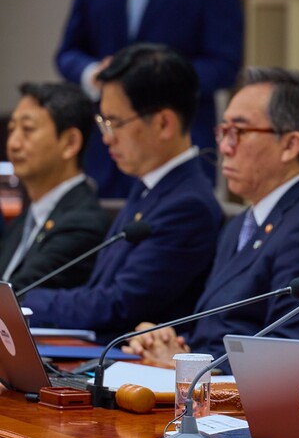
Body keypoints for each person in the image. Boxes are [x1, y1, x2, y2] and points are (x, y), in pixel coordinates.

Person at [124, 68, 299, 367]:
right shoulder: (240, 223)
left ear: (290, 145)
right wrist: (164, 341)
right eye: (222, 132)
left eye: (239, 132)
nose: (224, 147)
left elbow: (289, 353)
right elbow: (217, 328)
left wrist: (186, 364)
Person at [22, 43, 223, 339]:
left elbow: (119, 304)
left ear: (164, 123)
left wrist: (23, 303)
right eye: (103, 122)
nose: (106, 138)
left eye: (115, 123)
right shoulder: (148, 187)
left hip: (139, 370)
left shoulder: (188, 205)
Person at [56, 0, 243, 198]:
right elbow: (68, 52)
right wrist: (94, 74)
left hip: (174, 145)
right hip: (105, 148)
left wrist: (155, 79)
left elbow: (224, 64)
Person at [0, 82, 110, 292]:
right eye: (11, 129)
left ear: (70, 143)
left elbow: (19, 295)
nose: (13, 143)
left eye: (28, 130)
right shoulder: (24, 220)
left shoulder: (83, 223)